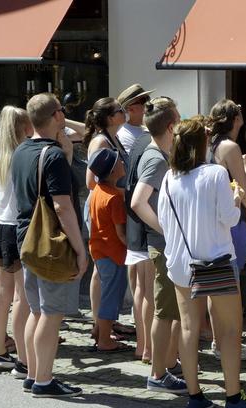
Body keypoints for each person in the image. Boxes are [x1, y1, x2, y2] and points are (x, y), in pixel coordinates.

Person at [157, 116, 246, 408]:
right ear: (202, 143)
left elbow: (165, 222)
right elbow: (230, 218)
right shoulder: (215, 174)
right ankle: (233, 396)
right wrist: (236, 198)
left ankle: (195, 396)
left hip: (182, 262)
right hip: (216, 261)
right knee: (230, 330)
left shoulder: (170, 177)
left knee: (188, 328)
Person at [12, 93, 87, 397]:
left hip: (27, 239)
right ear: (57, 116)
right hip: (52, 244)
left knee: (37, 310)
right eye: (62, 111)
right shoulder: (52, 155)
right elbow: (62, 207)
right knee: (52, 313)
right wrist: (80, 248)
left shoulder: (22, 151)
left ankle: (33, 373)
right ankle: (43, 379)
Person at [131, 97, 186, 393]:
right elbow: (138, 202)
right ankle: (157, 373)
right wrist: (168, 231)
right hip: (162, 245)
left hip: (164, 244)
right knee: (164, 311)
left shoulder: (160, 152)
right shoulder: (155, 157)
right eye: (178, 118)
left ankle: (165, 366)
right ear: (170, 125)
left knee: (168, 310)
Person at [0, 106, 33, 376]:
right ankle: (23, 360)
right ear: (25, 127)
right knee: (21, 297)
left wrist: (0, 209)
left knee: (2, 293)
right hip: (18, 228)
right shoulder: (24, 154)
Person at [83, 97, 133, 346]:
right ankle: (101, 327)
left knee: (106, 275)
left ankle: (106, 324)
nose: (124, 112)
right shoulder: (101, 141)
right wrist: (121, 194)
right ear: (110, 117)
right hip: (104, 209)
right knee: (104, 275)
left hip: (108, 206)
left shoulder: (112, 137)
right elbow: (91, 181)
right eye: (119, 110)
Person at [207, 99, 246, 360]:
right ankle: (229, 342)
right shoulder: (230, 147)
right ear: (235, 119)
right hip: (232, 218)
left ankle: (218, 340)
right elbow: (243, 187)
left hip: (213, 219)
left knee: (217, 285)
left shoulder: (210, 144)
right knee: (231, 283)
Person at [118, 84, 155, 362]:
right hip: (141, 218)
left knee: (141, 287)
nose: (146, 106)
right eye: (143, 102)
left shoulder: (140, 136)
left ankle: (143, 345)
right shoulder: (134, 138)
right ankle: (147, 346)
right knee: (145, 288)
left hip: (134, 218)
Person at [88, 148, 131, 352]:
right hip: (113, 253)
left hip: (100, 251)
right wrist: (134, 247)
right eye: (119, 162)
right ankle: (105, 340)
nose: (123, 163)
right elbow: (121, 233)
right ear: (114, 170)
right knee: (110, 298)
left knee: (107, 294)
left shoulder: (97, 191)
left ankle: (99, 331)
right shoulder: (113, 197)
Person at [116, 83, 154, 154]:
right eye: (143, 100)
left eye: (148, 99)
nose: (149, 104)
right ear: (130, 109)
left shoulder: (147, 128)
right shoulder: (124, 136)